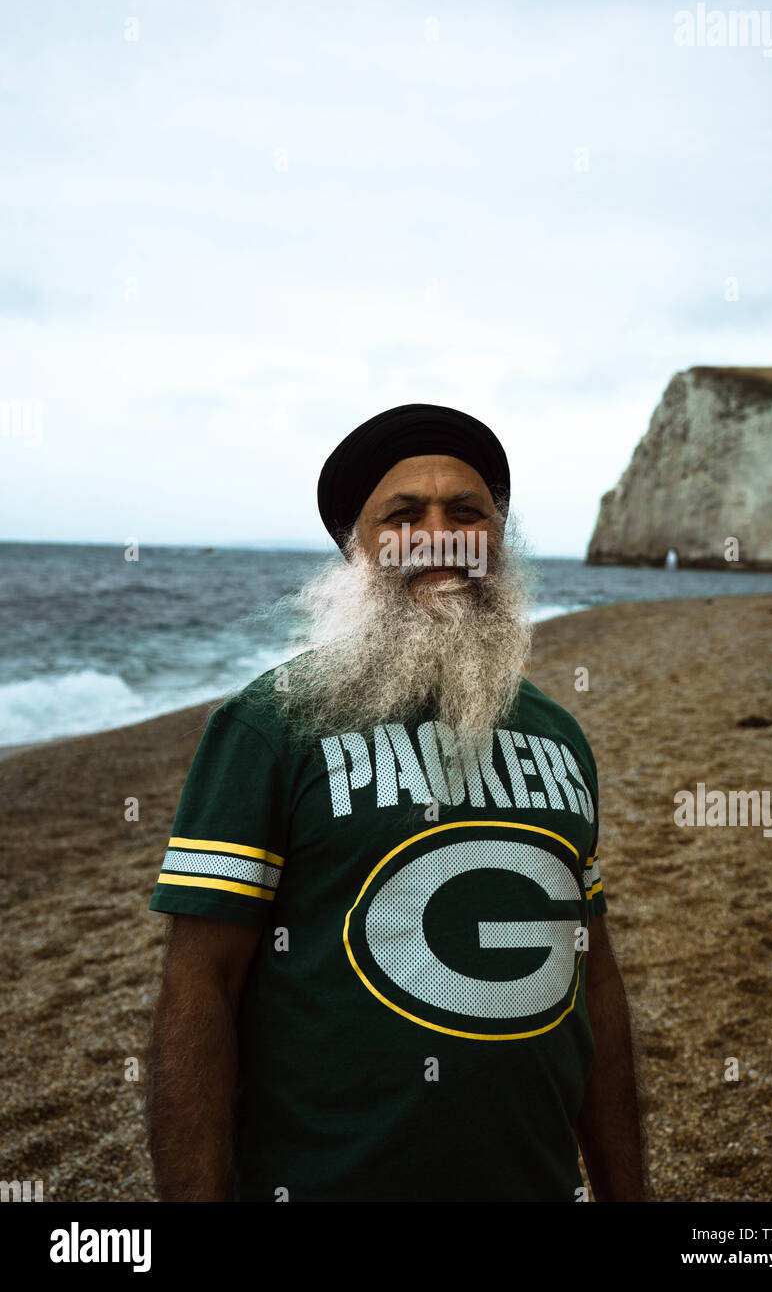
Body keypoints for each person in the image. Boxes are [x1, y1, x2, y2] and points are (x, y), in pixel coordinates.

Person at [146, 402, 648, 1202]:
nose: (441, 535)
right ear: (357, 549)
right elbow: (199, 988)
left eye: (467, 513)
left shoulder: (560, 735)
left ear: (499, 541)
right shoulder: (270, 728)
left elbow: (596, 984)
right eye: (404, 515)